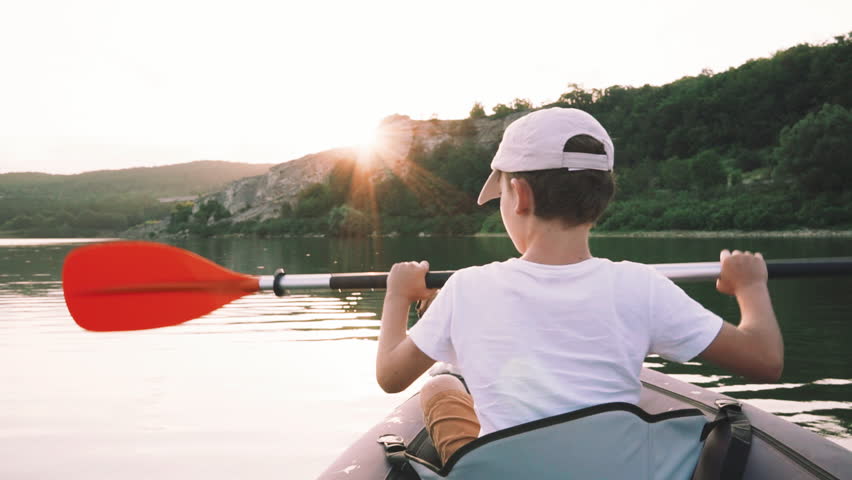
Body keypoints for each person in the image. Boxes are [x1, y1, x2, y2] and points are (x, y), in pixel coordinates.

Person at [375, 107, 783, 465]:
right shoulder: (641, 286)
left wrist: (399, 294)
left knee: (443, 385)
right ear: (601, 198)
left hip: (506, 472)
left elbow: (390, 375)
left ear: (518, 195)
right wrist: (750, 285)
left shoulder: (465, 288)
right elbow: (765, 359)